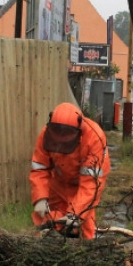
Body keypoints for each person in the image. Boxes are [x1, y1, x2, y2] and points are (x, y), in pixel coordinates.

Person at [29, 102, 110, 239]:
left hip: (84, 184)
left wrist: (76, 213)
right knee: (49, 219)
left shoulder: (94, 138)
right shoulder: (46, 134)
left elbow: (90, 184)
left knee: (85, 221)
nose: (61, 141)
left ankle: (86, 252)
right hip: (59, 181)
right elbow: (39, 168)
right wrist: (40, 198)